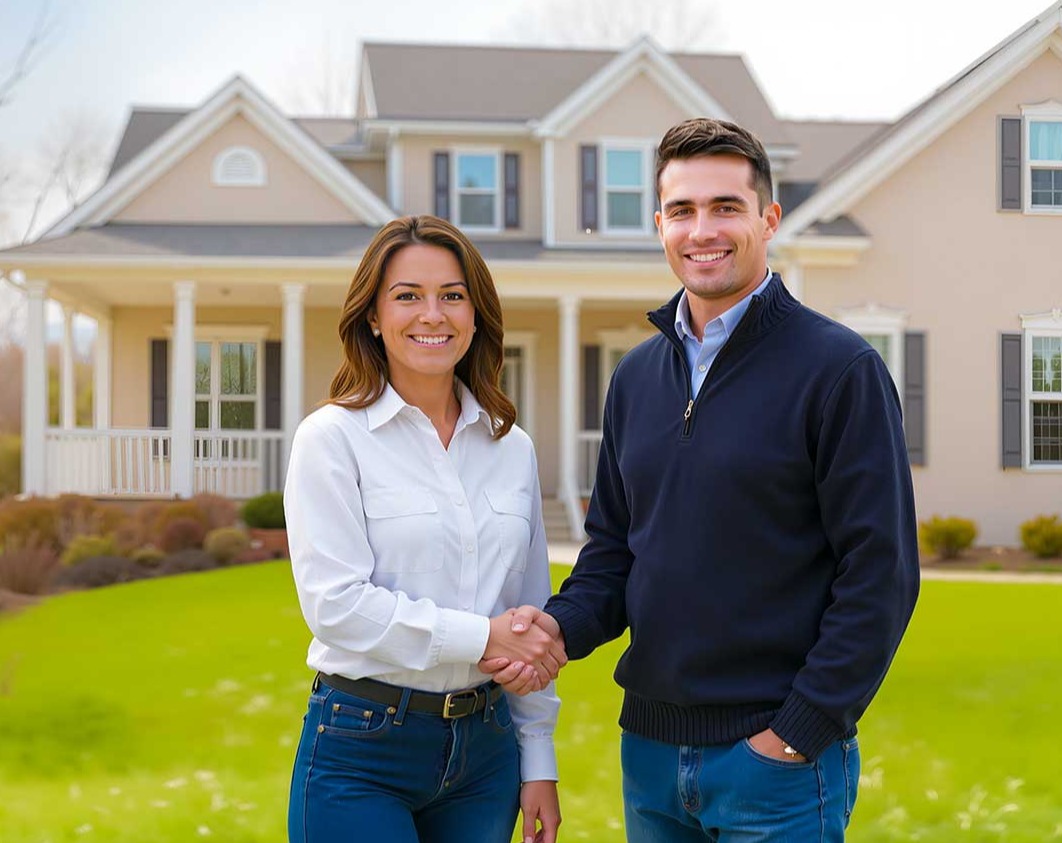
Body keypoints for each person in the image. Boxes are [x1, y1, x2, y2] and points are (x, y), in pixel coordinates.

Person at [496, 118, 921, 841]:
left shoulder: (839, 370)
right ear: (659, 223)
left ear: (769, 218)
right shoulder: (635, 378)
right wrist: (554, 629)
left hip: (777, 764)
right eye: (684, 211)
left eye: (726, 207)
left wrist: (796, 733)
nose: (704, 230)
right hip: (652, 759)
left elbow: (880, 574)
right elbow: (614, 556)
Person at [284, 215, 564, 843]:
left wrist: (538, 758)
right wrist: (481, 636)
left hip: (486, 754)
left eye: (452, 295)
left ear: (475, 314)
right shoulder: (331, 439)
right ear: (374, 317)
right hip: (362, 747)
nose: (432, 315)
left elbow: (529, 614)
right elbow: (335, 606)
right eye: (407, 296)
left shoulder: (510, 447)